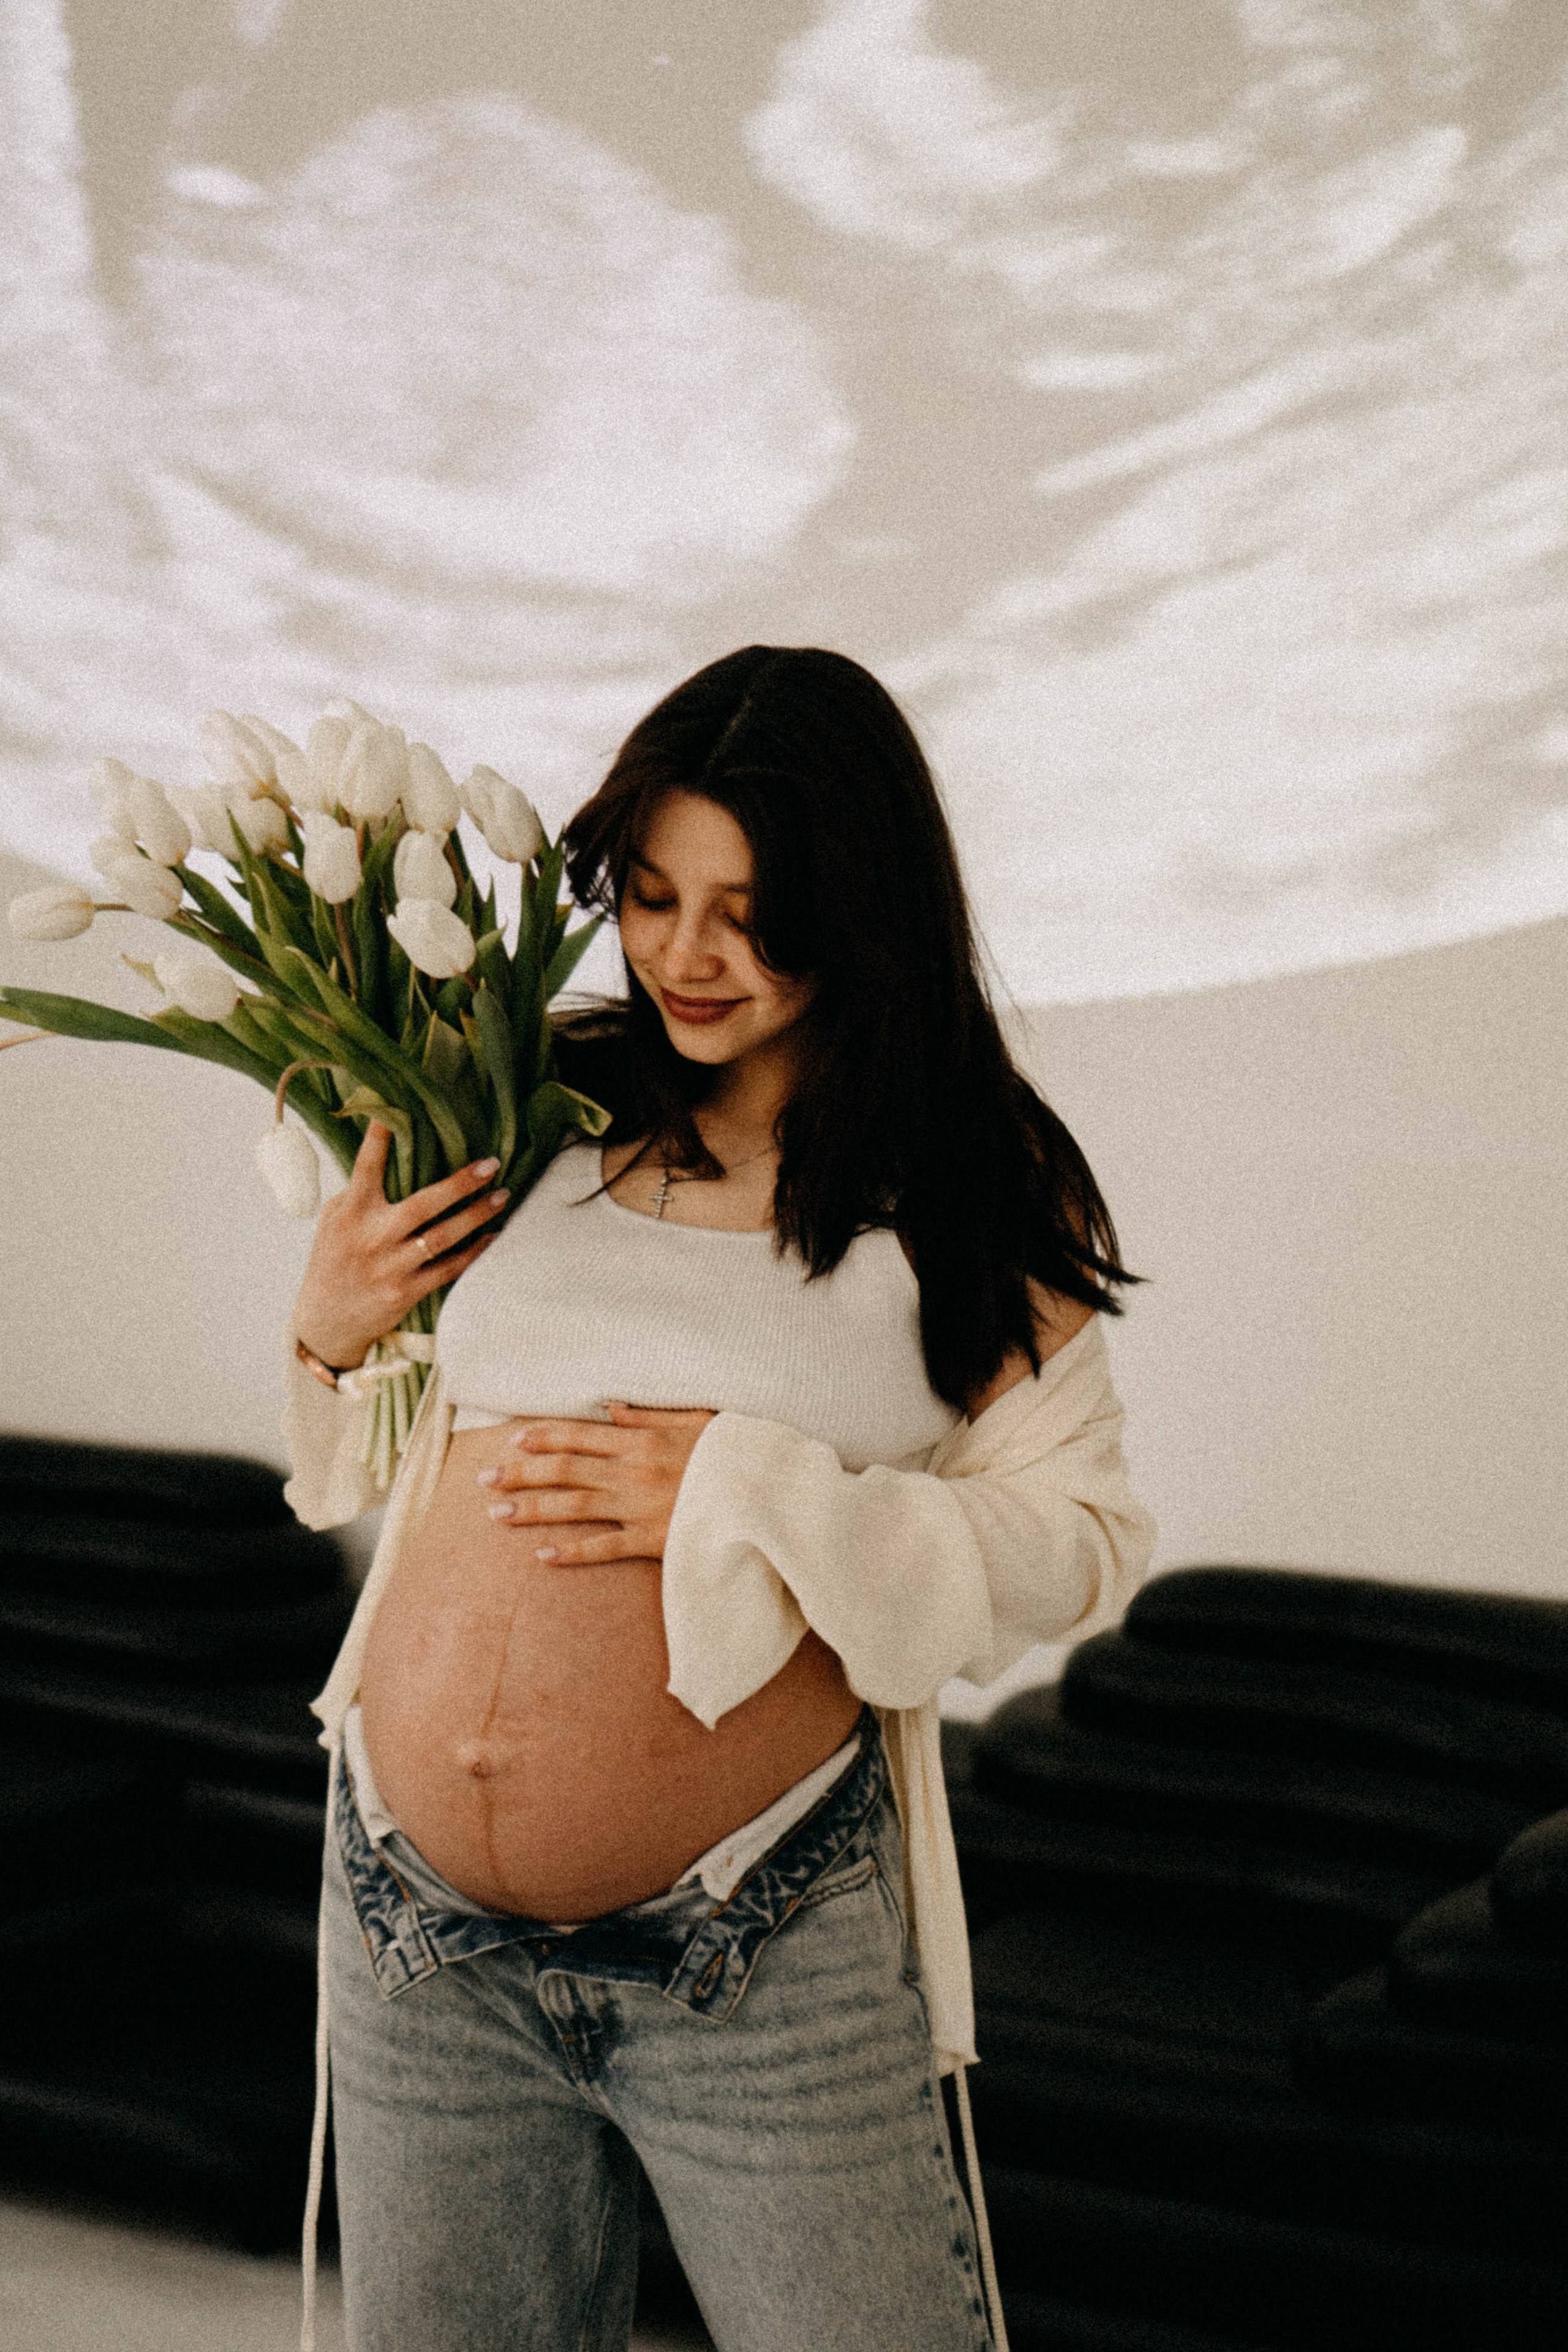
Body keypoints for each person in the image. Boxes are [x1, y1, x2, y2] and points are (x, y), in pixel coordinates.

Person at [282, 644, 1157, 2352]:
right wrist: (326, 1339)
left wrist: (750, 1486)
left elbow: (1085, 1544)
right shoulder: (525, 1100)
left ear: (866, 910)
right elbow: (392, 1448)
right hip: (411, 1929)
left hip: (751, 1946)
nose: (689, 956)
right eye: (658, 896)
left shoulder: (970, 1180)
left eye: (752, 912)